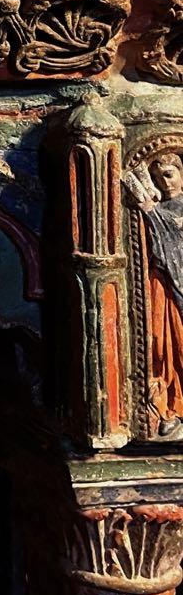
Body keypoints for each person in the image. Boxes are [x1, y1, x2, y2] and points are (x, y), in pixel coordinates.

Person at [126, 152, 183, 438]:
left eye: (170, 175)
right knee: (165, 347)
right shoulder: (161, 205)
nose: (165, 183)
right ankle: (171, 407)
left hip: (179, 280)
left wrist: (152, 212)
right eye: (159, 178)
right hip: (165, 284)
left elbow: (175, 230)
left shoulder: (172, 209)